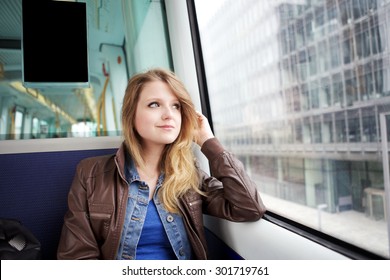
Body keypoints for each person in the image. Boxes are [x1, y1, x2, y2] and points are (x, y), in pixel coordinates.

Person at [57, 68, 266, 260]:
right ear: (132, 115)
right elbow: (77, 259)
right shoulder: (91, 174)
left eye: (176, 106)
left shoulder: (189, 175)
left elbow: (248, 208)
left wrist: (208, 142)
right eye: (154, 104)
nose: (169, 114)